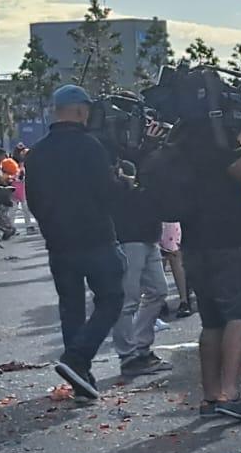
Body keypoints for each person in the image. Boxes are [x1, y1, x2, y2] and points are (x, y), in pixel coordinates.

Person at [156, 92, 241, 423]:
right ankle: (231, 393)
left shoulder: (184, 139)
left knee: (211, 322)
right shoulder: (216, 142)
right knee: (238, 316)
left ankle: (212, 396)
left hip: (195, 244)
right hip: (228, 243)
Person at [23, 85, 126, 400]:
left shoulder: (37, 152)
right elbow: (106, 193)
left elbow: (34, 200)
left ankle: (80, 378)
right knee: (111, 298)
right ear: (81, 111)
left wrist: (50, 227)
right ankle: (78, 358)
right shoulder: (91, 147)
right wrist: (122, 185)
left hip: (59, 242)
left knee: (71, 307)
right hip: (95, 236)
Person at [111, 133, 170, 382]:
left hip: (149, 233)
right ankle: (128, 356)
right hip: (128, 235)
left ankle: (141, 347)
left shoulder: (149, 153)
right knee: (128, 299)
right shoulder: (112, 152)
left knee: (158, 290)